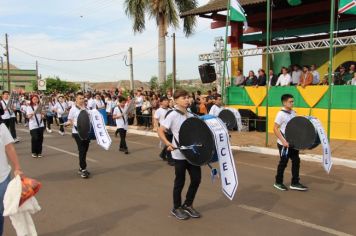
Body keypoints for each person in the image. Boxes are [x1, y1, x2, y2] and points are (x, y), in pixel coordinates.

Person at [158, 89, 202, 220]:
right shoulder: (172, 115)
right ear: (176, 100)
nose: (187, 100)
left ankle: (188, 204)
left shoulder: (191, 115)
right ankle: (176, 208)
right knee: (180, 182)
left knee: (196, 179)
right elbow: (160, 130)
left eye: (188, 97)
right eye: (183, 97)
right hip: (179, 154)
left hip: (192, 154)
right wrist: (167, 143)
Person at [273, 94, 308, 192]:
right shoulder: (281, 114)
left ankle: (295, 183)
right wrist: (284, 142)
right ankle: (278, 182)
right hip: (283, 144)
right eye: (290, 101)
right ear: (284, 102)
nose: (292, 103)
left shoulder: (293, 112)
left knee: (296, 161)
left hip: (293, 143)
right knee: (283, 163)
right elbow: (275, 128)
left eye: (293, 101)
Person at [0, 122, 23, 235]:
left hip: (2, 178)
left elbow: (9, 148)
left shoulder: (1, 127)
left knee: (0, 212)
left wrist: (17, 167)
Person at [66, 92, 91, 179]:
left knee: (85, 149)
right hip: (77, 133)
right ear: (76, 99)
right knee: (82, 150)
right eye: (80, 98)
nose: (82, 100)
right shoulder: (73, 109)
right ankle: (83, 169)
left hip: (86, 132)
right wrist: (70, 123)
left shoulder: (86, 108)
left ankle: (81, 168)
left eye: (83, 98)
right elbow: (70, 119)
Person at [154, 96, 174, 165]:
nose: (167, 102)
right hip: (164, 130)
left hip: (171, 129)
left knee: (169, 143)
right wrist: (157, 128)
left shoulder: (170, 110)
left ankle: (162, 154)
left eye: (167, 101)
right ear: (161, 102)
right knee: (169, 144)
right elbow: (156, 120)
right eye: (165, 101)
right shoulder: (158, 110)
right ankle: (170, 160)